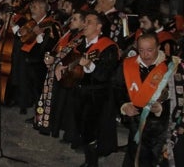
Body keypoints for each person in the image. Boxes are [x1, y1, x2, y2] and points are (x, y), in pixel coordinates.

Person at [113, 32, 176, 167]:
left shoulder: (172, 66)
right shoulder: (127, 64)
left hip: (161, 128)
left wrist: (161, 108)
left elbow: (178, 97)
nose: (145, 54)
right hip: (136, 125)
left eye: (150, 50)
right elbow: (117, 89)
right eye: (141, 50)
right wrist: (124, 105)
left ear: (159, 47)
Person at [73, 10, 120, 167]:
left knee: (91, 131)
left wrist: (90, 65)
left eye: (89, 22)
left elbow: (105, 75)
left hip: (97, 96)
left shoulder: (109, 48)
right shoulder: (80, 43)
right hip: (79, 92)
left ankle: (92, 163)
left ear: (99, 27)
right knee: (83, 128)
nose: (84, 24)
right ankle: (88, 159)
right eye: (84, 21)